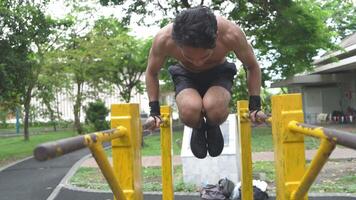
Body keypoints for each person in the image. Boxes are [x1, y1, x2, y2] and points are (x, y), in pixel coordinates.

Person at [145, 6, 267, 159]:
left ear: (216, 37)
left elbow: (252, 66)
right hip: (185, 74)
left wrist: (254, 107)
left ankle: (212, 124)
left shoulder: (231, 34)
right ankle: (198, 127)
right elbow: (151, 72)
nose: (198, 63)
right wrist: (154, 112)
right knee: (189, 110)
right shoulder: (164, 39)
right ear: (177, 43)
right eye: (189, 57)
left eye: (205, 56)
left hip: (218, 73)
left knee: (214, 108)